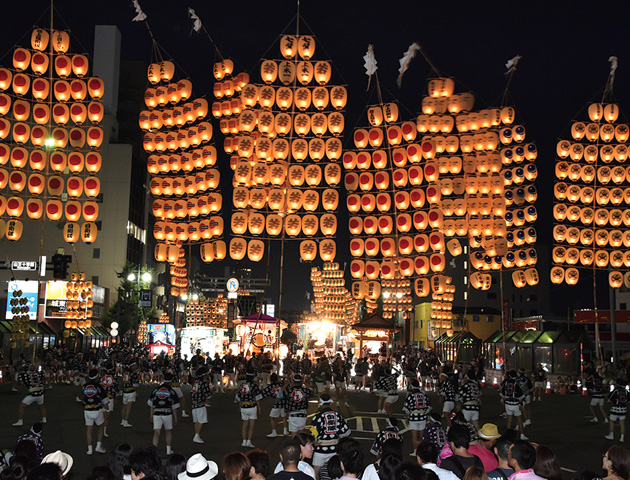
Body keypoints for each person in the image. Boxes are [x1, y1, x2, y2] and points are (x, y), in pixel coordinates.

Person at [311, 393, 351, 479]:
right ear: (331, 403)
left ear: (320, 403)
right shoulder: (338, 415)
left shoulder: (317, 417)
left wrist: (314, 442)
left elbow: (313, 434)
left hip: (320, 449)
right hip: (334, 449)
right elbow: (346, 432)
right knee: (334, 473)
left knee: (316, 474)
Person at [147, 371, 180, 455]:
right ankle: (168, 449)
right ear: (171, 381)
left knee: (156, 432)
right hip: (167, 413)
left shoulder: (156, 390)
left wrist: (151, 415)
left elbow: (151, 404)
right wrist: (175, 417)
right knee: (168, 431)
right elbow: (174, 407)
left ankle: (154, 450)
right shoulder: (172, 391)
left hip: (157, 412)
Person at [83, 368, 108, 455]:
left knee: (89, 429)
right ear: (97, 376)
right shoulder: (99, 386)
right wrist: (107, 408)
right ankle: (98, 446)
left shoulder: (84, 386)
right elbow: (105, 400)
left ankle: (89, 449)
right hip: (97, 409)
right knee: (101, 427)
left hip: (87, 410)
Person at [236, 368, 263, 447]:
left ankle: (244, 441)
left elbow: (238, 397)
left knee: (244, 424)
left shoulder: (242, 385)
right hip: (252, 406)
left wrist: (239, 407)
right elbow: (257, 398)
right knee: (251, 425)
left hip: (244, 406)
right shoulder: (254, 386)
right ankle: (249, 441)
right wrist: (259, 408)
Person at [403, 380, 431, 453]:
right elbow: (429, 407)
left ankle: (415, 451)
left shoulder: (410, 396)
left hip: (413, 417)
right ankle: (422, 450)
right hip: (422, 417)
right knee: (422, 435)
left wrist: (407, 418)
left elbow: (406, 408)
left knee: (414, 436)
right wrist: (424, 413)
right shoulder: (424, 395)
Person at [190, 367, 212, 444]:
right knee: (201, 421)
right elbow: (207, 395)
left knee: (196, 421)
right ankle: (196, 435)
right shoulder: (204, 383)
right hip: (200, 404)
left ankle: (197, 435)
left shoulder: (196, 382)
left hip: (194, 404)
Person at [263, 373, 288, 438]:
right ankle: (285, 431)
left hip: (276, 404)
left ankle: (274, 432)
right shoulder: (281, 384)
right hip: (283, 403)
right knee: (284, 417)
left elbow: (264, 393)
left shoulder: (271, 386)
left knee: (272, 417)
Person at [100, 362, 120, 438]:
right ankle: (103, 430)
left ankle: (102, 430)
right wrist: (116, 398)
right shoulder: (113, 379)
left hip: (102, 398)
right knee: (107, 416)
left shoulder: (101, 378)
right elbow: (116, 390)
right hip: (110, 397)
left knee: (104, 415)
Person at [121, 362, 139, 428]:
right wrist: (137, 392)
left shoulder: (125, 373)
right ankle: (126, 421)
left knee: (124, 406)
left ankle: (123, 420)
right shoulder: (133, 374)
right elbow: (135, 384)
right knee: (129, 407)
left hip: (125, 391)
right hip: (131, 391)